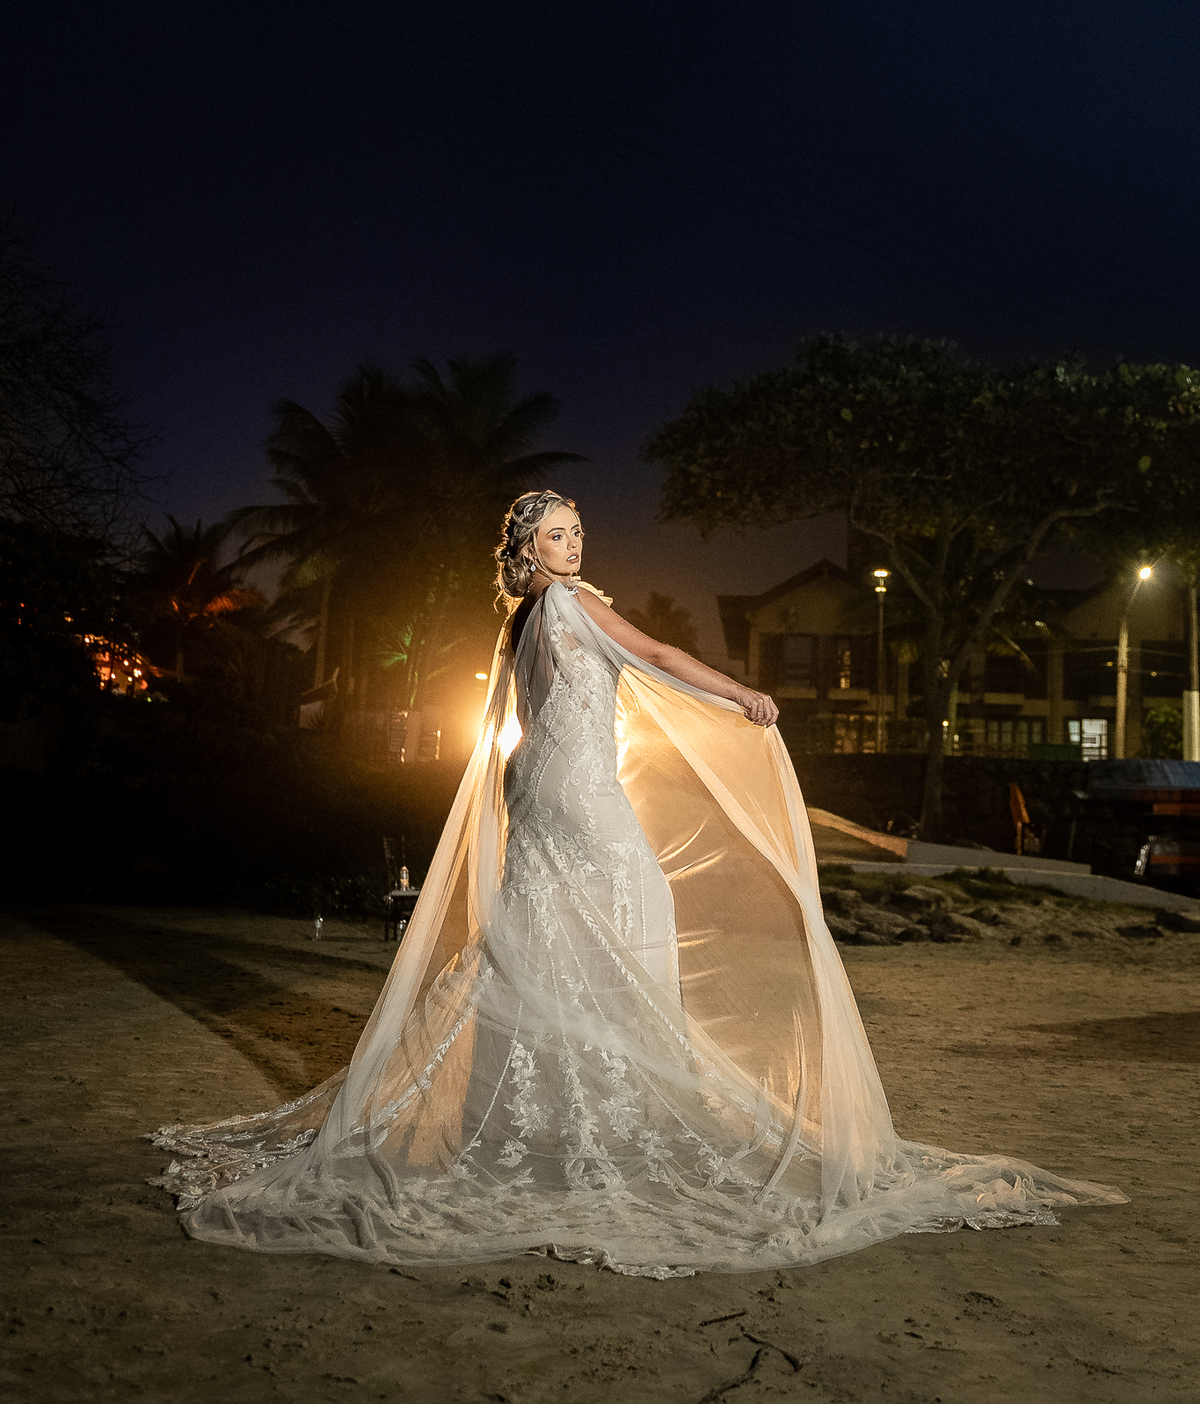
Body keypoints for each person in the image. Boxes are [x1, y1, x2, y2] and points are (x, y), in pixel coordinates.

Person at [153, 490, 1123, 1277]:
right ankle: (602, 1110)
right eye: (555, 535)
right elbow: (657, 655)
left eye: (577, 533)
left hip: (538, 791)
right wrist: (739, 692)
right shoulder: (569, 607)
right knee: (628, 915)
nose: (572, 546)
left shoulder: (525, 622)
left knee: (540, 941)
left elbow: (537, 720)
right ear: (527, 551)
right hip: (574, 795)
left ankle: (551, 1110)